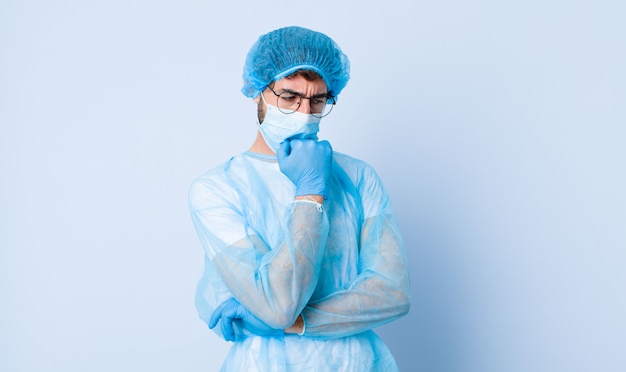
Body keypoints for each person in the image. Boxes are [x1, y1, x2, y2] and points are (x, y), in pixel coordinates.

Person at [188, 26, 411, 371]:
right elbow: (279, 303)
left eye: (317, 100)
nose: (305, 113)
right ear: (258, 92)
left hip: (359, 364)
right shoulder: (219, 188)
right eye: (289, 97)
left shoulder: (357, 177)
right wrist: (309, 193)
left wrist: (295, 323)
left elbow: (392, 293)